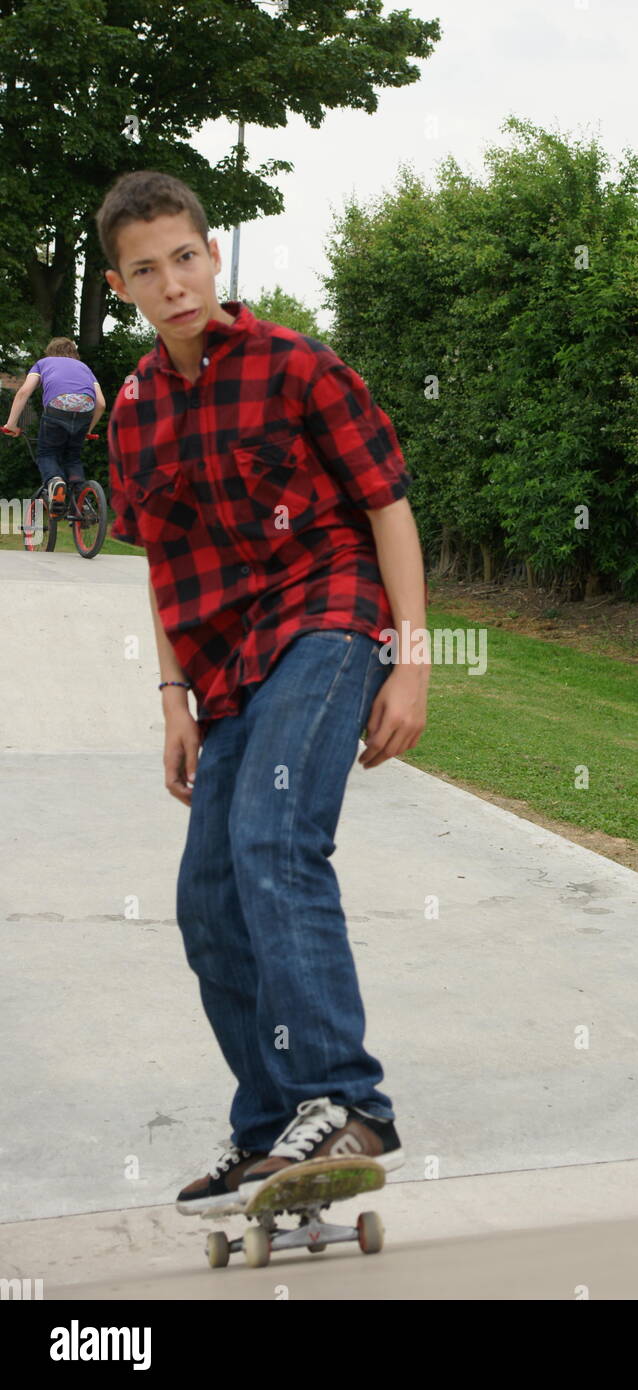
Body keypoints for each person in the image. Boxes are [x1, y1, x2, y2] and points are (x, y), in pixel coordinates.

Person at [96, 169, 430, 1215]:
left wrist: (411, 659)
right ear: (122, 287)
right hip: (225, 665)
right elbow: (158, 563)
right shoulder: (134, 409)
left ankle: (344, 1100)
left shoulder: (298, 368)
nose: (174, 283)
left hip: (328, 620)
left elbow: (389, 508)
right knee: (207, 899)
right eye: (147, 270)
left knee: (273, 838)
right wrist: (169, 698)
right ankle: (273, 1129)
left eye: (185, 257)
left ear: (213, 254)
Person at [3, 339, 106, 515]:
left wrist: (11, 424)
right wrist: (88, 430)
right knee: (73, 456)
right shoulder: (84, 368)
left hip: (57, 409)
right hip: (85, 410)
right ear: (74, 353)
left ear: (50, 351)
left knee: (47, 453)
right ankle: (83, 500)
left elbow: (23, 392)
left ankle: (54, 482)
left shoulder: (42, 363)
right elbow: (101, 404)